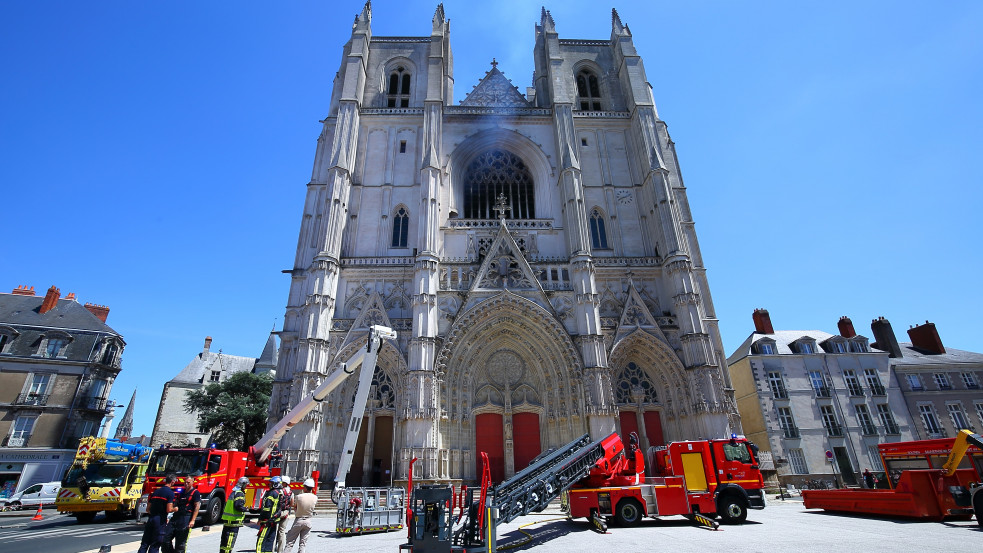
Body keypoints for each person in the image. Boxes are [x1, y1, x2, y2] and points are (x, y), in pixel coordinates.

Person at [138, 473, 177, 553]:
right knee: (155, 544)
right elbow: (169, 509)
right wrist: (175, 509)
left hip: (151, 518)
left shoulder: (156, 492)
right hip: (160, 520)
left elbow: (147, 509)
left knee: (145, 543)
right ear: (172, 482)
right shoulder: (170, 493)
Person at [282, 479, 318, 553]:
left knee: (290, 542)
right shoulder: (315, 497)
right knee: (303, 544)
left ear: (305, 487)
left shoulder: (299, 497)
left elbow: (295, 507)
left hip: (299, 519)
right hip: (308, 520)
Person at [168, 475, 201, 553]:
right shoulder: (181, 492)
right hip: (176, 517)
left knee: (180, 544)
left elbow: (197, 507)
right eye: (185, 482)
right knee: (165, 538)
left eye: (188, 482)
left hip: (186, 518)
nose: (186, 484)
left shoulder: (195, 493)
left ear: (192, 482)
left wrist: (192, 520)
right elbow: (175, 503)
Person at [219, 477, 250, 553]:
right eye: (246, 484)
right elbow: (238, 506)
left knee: (224, 542)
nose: (246, 486)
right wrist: (245, 509)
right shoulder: (239, 493)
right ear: (243, 484)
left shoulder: (234, 492)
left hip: (228, 520)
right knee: (229, 542)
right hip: (233, 522)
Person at [256, 476, 285, 553]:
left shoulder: (271, 493)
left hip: (267, 521)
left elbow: (266, 508)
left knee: (261, 540)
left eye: (271, 483)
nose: (269, 485)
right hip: (275, 521)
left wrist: (260, 519)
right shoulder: (281, 492)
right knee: (270, 540)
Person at [274, 476, 294, 553]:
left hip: (277, 512)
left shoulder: (279, 491)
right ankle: (280, 550)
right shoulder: (291, 492)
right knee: (282, 531)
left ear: (284, 483)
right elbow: (292, 503)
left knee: (274, 530)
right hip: (286, 512)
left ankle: (272, 548)